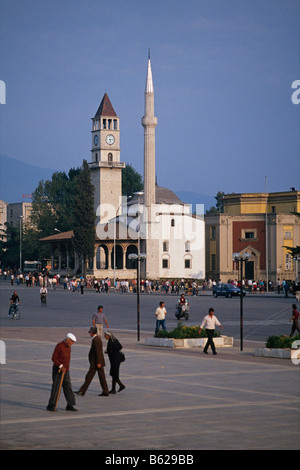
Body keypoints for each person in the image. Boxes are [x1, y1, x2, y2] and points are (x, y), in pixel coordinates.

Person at [47, 333, 77, 411]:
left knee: (68, 387)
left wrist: (66, 368)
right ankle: (51, 405)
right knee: (56, 387)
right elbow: (54, 358)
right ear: (67, 340)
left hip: (66, 370)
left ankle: (70, 404)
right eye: (71, 341)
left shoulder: (69, 347)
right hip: (58, 370)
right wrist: (60, 366)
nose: (72, 343)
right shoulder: (59, 346)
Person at [75, 326, 109, 397]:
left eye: (90, 332)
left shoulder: (96, 340)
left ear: (92, 332)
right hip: (96, 362)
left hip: (96, 363)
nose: (89, 333)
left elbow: (98, 352)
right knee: (98, 377)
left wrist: (99, 362)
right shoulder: (96, 339)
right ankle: (105, 391)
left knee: (91, 377)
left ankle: (82, 391)